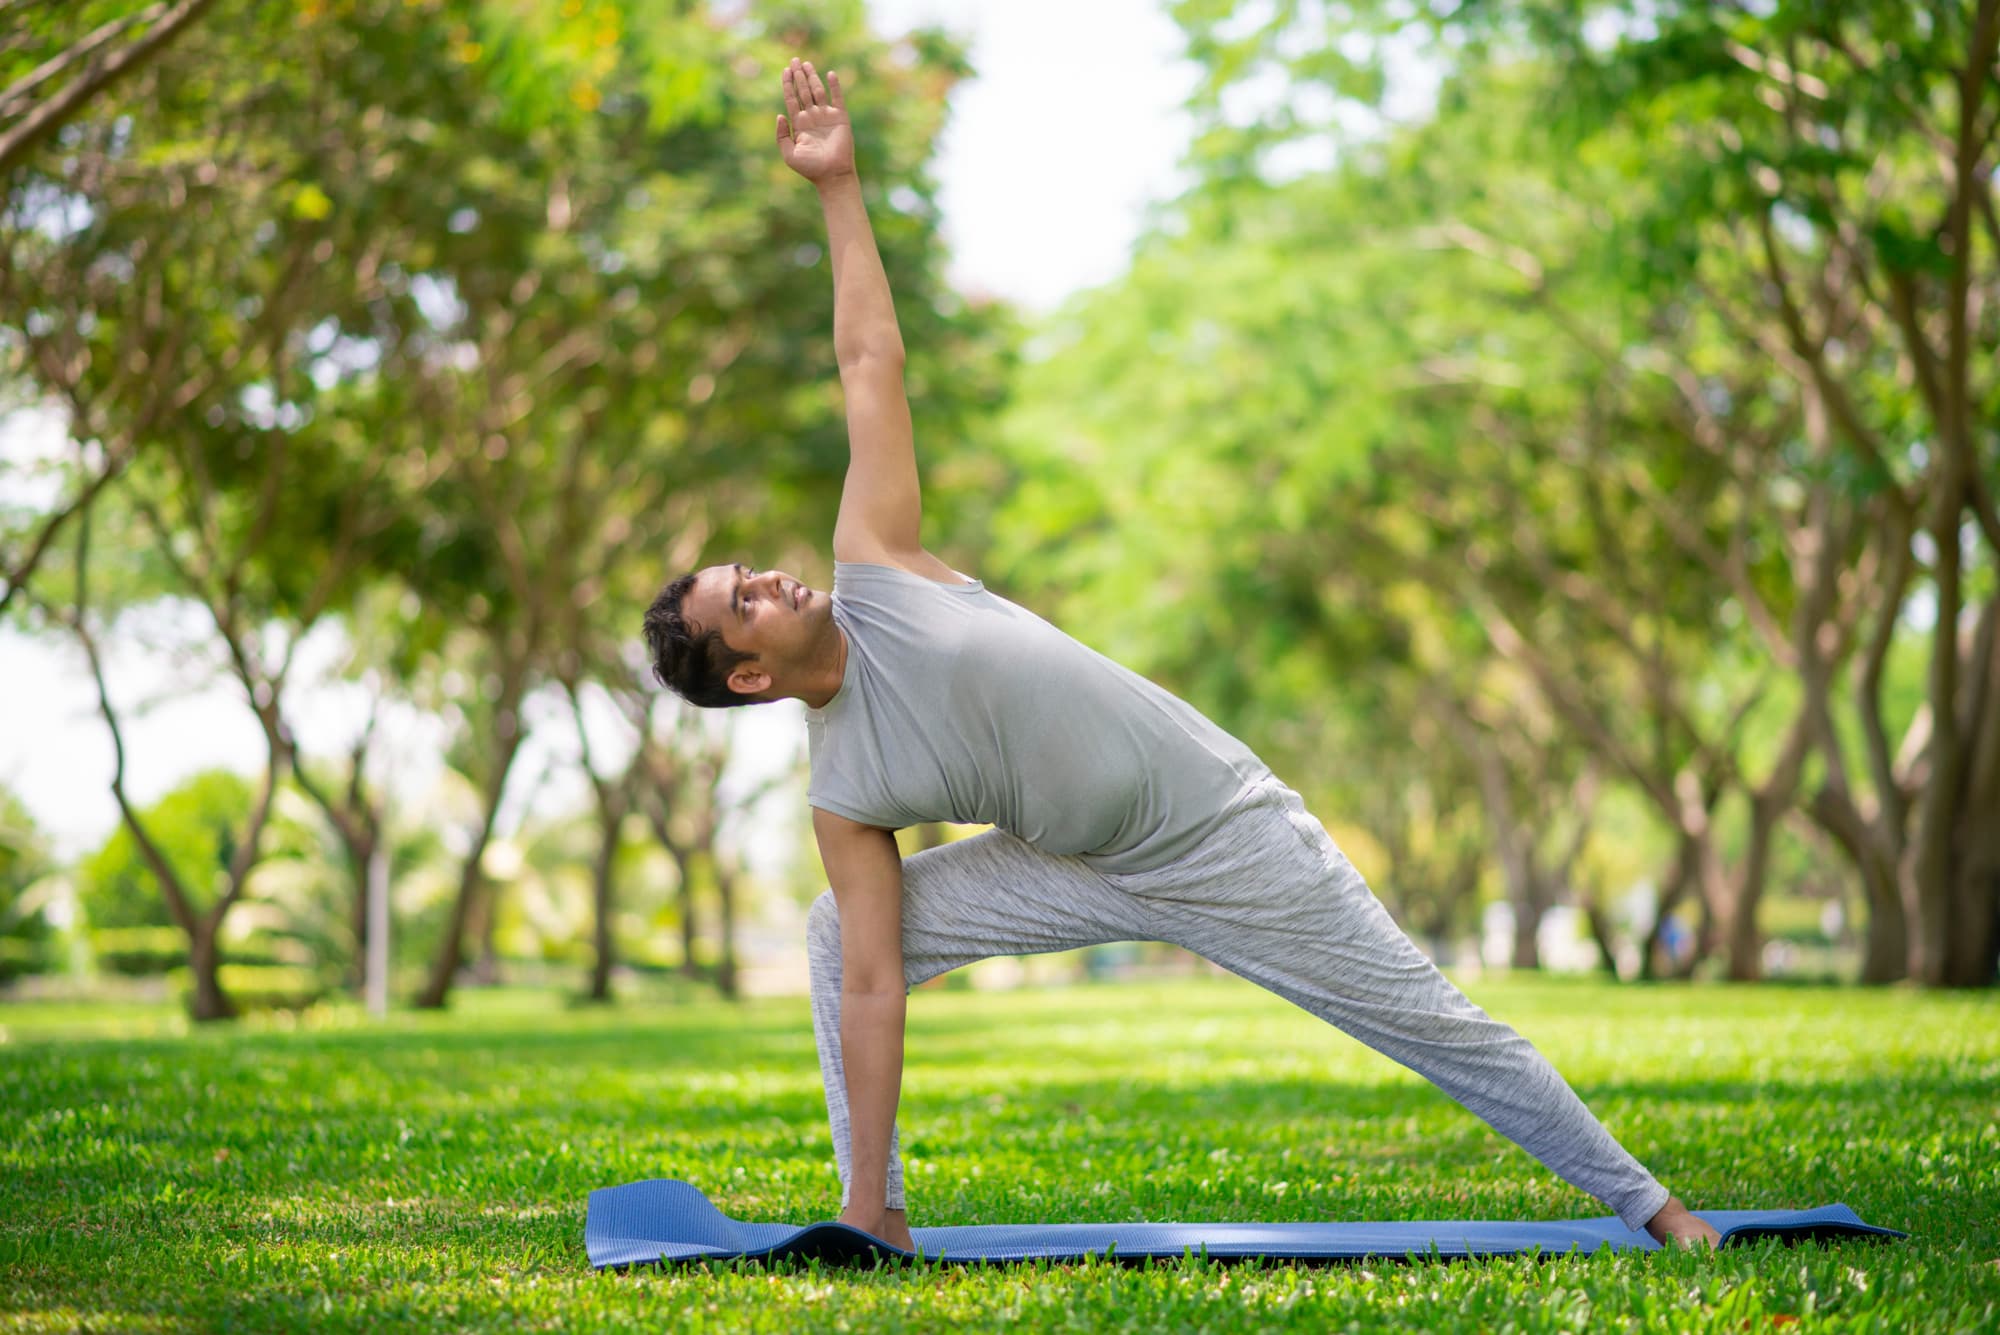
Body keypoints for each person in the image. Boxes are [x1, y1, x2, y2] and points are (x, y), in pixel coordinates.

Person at [641, 55, 1722, 1254]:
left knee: (1429, 1024)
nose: (771, 579)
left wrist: (838, 188)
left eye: (751, 570)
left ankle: (1660, 1212)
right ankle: (874, 1215)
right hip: (1075, 865)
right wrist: (859, 1204)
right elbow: (871, 986)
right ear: (748, 675)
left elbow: (867, 364)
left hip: (1219, 831)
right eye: (745, 602)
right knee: (839, 936)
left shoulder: (878, 566)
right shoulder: (844, 790)